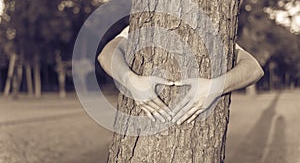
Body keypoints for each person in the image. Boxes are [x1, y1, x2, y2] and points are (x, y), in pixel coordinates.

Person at [98, 26, 264, 125]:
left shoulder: (214, 27)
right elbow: (107, 54)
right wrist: (131, 80)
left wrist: (216, 86)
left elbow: (254, 69)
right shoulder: (146, 22)